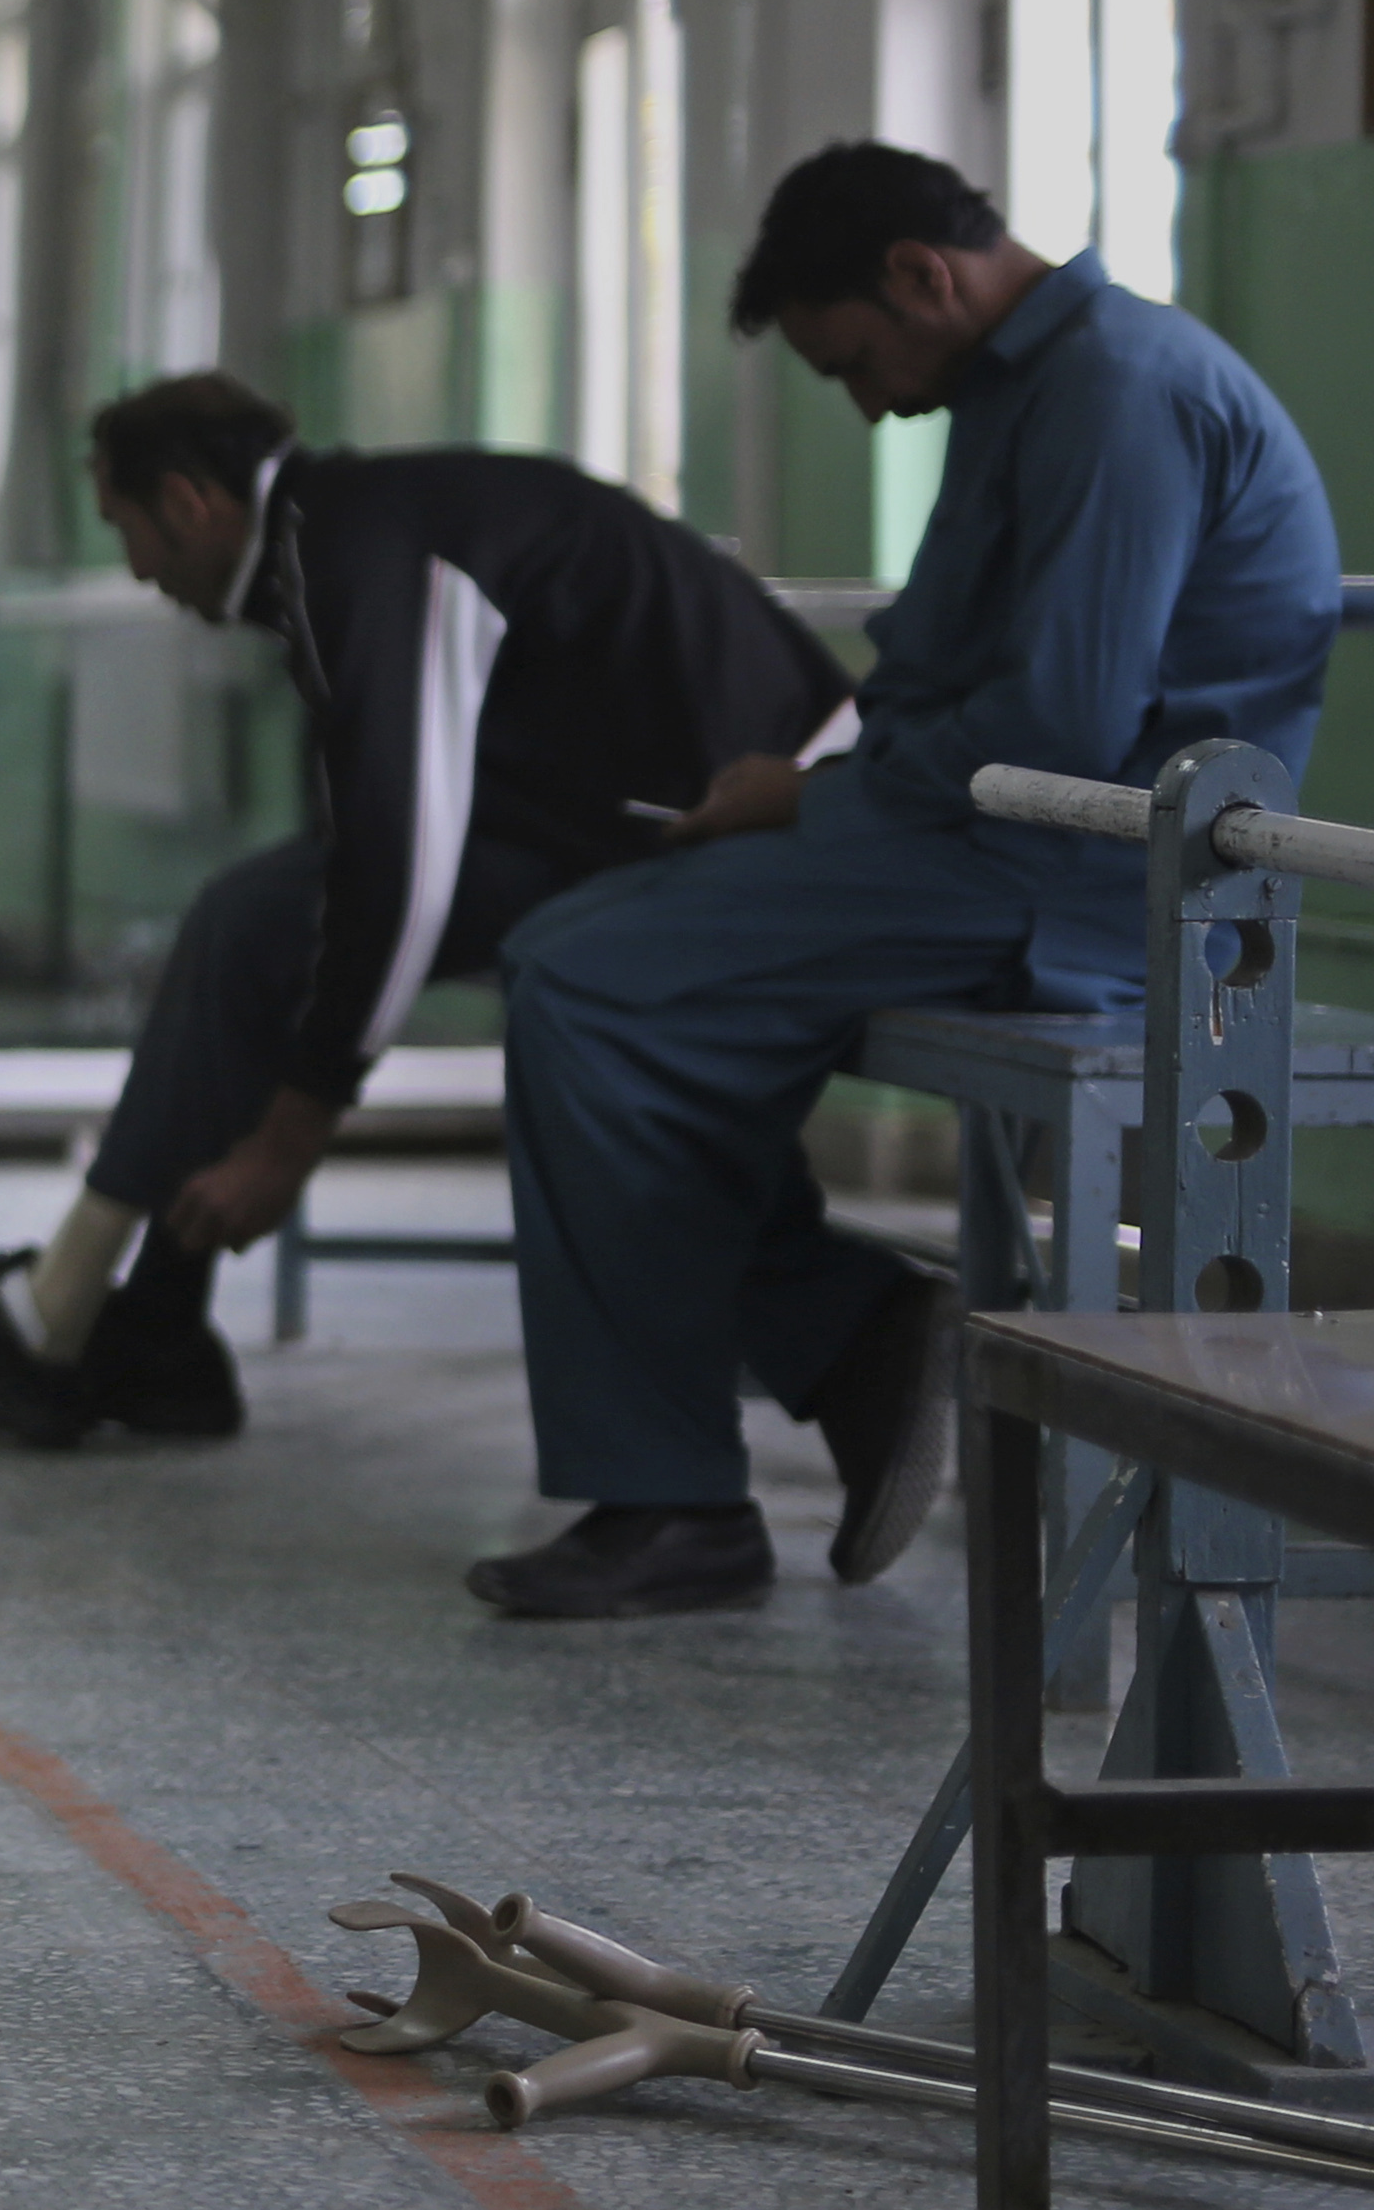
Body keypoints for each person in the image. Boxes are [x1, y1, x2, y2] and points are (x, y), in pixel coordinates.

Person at [464, 142, 1338, 1618]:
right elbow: (955, 681)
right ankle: (845, 1336)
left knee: (584, 985)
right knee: (566, 955)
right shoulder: (1028, 391)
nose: (867, 404)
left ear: (922, 279)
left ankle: (706, 1472)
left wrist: (807, 795)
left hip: (1068, 871)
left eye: (856, 362)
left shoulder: (1120, 395)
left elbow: (1058, 731)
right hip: (955, 834)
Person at [0, 373, 857, 1449]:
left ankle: (69, 1311)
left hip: (746, 832)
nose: (135, 571)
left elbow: (395, 856)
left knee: (290, 926)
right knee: (252, 922)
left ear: (186, 502)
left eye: (125, 530)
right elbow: (384, 843)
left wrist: (292, 1131)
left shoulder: (355, 549)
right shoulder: (336, 537)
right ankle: (131, 1323)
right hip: (628, 826)